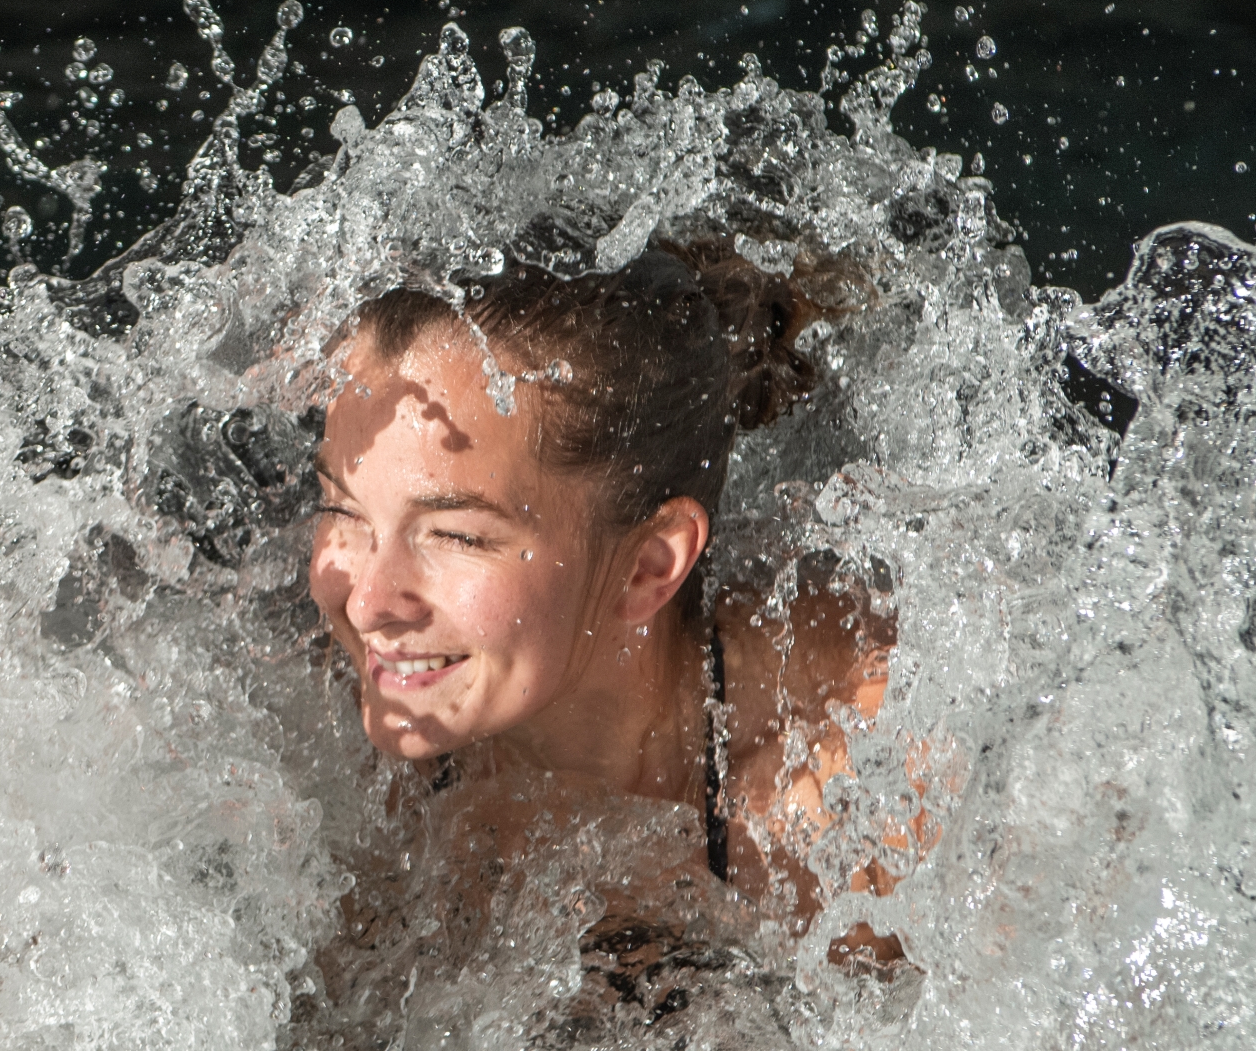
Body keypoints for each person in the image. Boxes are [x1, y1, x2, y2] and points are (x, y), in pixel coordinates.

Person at [304, 239, 920, 967]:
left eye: (456, 536)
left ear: (648, 566)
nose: (366, 603)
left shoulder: (860, 781)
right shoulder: (332, 747)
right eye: (342, 511)